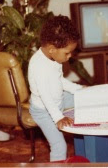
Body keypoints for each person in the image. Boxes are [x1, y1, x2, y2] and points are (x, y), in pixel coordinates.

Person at [28, 15, 83, 162]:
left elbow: (58, 81)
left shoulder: (53, 58)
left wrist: (78, 89)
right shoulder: (38, 65)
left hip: (59, 100)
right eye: (67, 52)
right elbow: (45, 96)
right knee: (59, 146)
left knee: (85, 99)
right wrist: (58, 117)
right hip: (44, 110)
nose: (70, 56)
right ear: (52, 49)